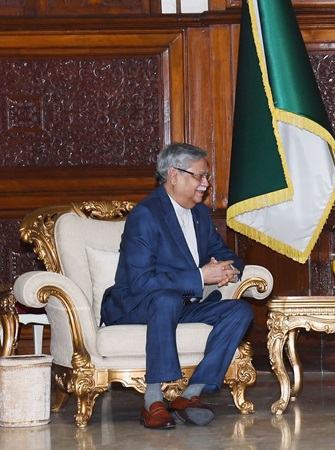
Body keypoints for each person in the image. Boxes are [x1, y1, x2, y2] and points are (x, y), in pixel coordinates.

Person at [101, 143, 255, 429]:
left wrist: (225, 270)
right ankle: (153, 400)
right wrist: (200, 276)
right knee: (165, 299)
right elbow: (141, 281)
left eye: (207, 177)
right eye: (200, 176)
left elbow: (227, 255)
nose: (206, 184)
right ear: (174, 174)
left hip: (181, 304)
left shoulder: (200, 216)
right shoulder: (145, 216)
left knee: (240, 311)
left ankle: (190, 394)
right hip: (134, 305)